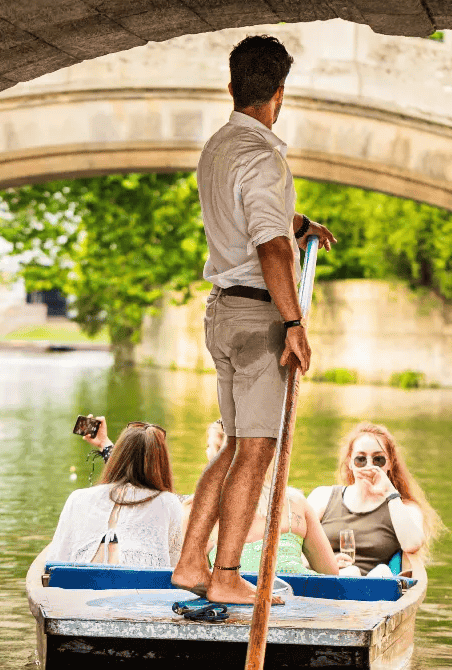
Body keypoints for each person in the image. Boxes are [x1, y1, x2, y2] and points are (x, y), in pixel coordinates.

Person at [170, 35, 337, 606]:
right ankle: (226, 574)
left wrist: (302, 223)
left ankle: (192, 563)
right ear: (280, 94)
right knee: (256, 452)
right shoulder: (265, 155)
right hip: (257, 315)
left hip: (221, 312)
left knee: (234, 447)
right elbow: (266, 244)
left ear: (232, 87)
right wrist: (294, 323)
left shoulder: (217, 147)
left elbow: (259, 218)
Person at [203, 422, 340, 576]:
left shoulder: (202, 514)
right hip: (295, 594)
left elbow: (331, 574)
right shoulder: (294, 502)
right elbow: (331, 575)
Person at [307, 423, 443, 577]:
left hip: (372, 590)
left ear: (390, 463)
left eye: (378, 460)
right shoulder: (323, 497)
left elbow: (412, 544)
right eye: (361, 459)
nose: (369, 466)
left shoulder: (404, 508)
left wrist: (390, 492)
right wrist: (324, 562)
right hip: (322, 583)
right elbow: (292, 548)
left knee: (379, 572)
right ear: (350, 463)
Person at [47, 417, 184, 567]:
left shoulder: (77, 498)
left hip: (83, 585)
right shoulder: (169, 503)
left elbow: (55, 562)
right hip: (139, 587)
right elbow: (176, 569)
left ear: (119, 456)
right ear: (161, 464)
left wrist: (105, 444)